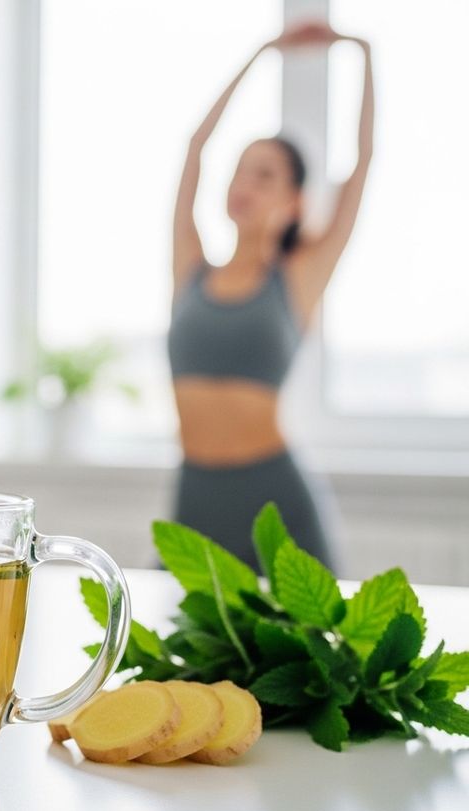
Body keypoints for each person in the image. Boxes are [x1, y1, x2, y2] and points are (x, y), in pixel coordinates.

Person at [167, 22, 374, 570]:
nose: (245, 184)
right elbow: (194, 147)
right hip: (195, 496)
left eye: (264, 175)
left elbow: (361, 165)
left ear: (296, 201)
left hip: (275, 499)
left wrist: (362, 51)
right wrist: (260, 53)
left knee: (308, 654)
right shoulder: (190, 268)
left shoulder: (298, 279)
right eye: (240, 171)